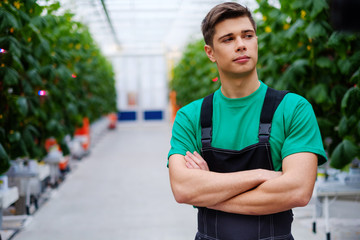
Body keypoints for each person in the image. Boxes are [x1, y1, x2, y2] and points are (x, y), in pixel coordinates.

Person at [168, 2, 327, 240]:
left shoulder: (293, 109)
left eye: (248, 35)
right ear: (210, 52)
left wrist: (209, 190)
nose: (241, 45)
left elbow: (297, 191)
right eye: (228, 39)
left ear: (256, 41)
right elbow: (183, 189)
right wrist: (262, 175)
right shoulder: (191, 116)